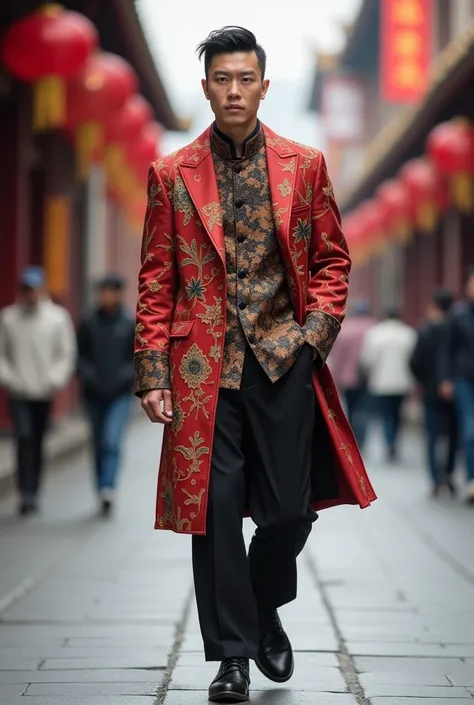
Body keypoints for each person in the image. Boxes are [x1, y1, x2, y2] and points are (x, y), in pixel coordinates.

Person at [134, 26, 376, 703]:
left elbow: (332, 260)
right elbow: (156, 279)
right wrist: (153, 370)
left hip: (283, 365)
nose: (233, 90)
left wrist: (314, 335)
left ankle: (264, 604)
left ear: (264, 87)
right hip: (202, 372)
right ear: (206, 85)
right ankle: (232, 657)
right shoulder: (171, 175)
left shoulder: (305, 165)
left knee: (289, 514)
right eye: (221, 78)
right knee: (214, 514)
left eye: (245, 79)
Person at [0, 266, 76, 516]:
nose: (30, 294)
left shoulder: (57, 318)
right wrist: (9, 379)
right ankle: (25, 492)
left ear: (42, 290)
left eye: (34, 289)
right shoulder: (8, 318)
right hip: (19, 391)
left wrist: (53, 380)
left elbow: (65, 353)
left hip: (44, 391)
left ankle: (34, 490)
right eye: (26, 290)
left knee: (37, 440)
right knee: (23, 438)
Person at [77, 274, 135, 517]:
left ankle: (109, 488)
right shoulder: (88, 322)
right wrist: (89, 377)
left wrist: (124, 378)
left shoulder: (129, 323)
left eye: (111, 291)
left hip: (120, 394)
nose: (106, 296)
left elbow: (136, 358)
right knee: (99, 443)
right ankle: (101, 487)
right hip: (93, 394)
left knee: (112, 440)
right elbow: (79, 356)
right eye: (103, 291)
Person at [410, 289, 457, 497]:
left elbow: (414, 361)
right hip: (454, 389)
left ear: (435, 307)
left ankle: (434, 478)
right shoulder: (456, 328)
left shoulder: (425, 330)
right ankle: (448, 471)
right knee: (453, 433)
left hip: (430, 390)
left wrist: (423, 382)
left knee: (431, 434)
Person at [360, 308, 416, 462]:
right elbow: (414, 359)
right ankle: (394, 442)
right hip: (402, 381)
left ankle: (389, 442)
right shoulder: (408, 334)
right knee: (397, 414)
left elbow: (367, 359)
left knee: (386, 415)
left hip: (381, 381)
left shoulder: (375, 334)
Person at [439, 266, 474, 504]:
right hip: (464, 379)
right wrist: (446, 379)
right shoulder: (459, 314)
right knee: (470, 430)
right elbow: (447, 350)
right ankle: (472, 481)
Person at [328, 299, 376, 449]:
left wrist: (335, 378)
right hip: (368, 378)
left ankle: (353, 439)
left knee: (351, 409)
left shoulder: (345, 330)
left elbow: (338, 357)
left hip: (347, 378)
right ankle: (361, 440)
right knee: (365, 410)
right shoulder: (373, 328)